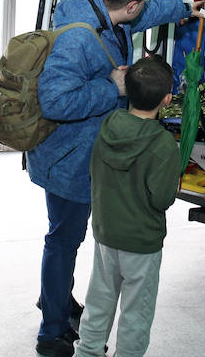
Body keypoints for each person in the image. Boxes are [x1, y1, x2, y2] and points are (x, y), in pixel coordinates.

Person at [28, 0, 201, 357]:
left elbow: (145, 15)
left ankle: (56, 299)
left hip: (84, 154)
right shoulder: (80, 38)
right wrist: (112, 86)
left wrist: (184, 8)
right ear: (131, 3)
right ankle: (51, 331)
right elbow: (54, 102)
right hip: (67, 160)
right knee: (63, 240)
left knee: (70, 239)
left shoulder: (104, 9)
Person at [74, 55, 181, 357]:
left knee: (98, 302)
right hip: (141, 243)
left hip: (106, 234)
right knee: (136, 313)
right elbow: (162, 199)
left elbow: (95, 172)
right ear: (167, 99)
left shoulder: (109, 125)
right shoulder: (162, 144)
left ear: (128, 92)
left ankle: (87, 352)